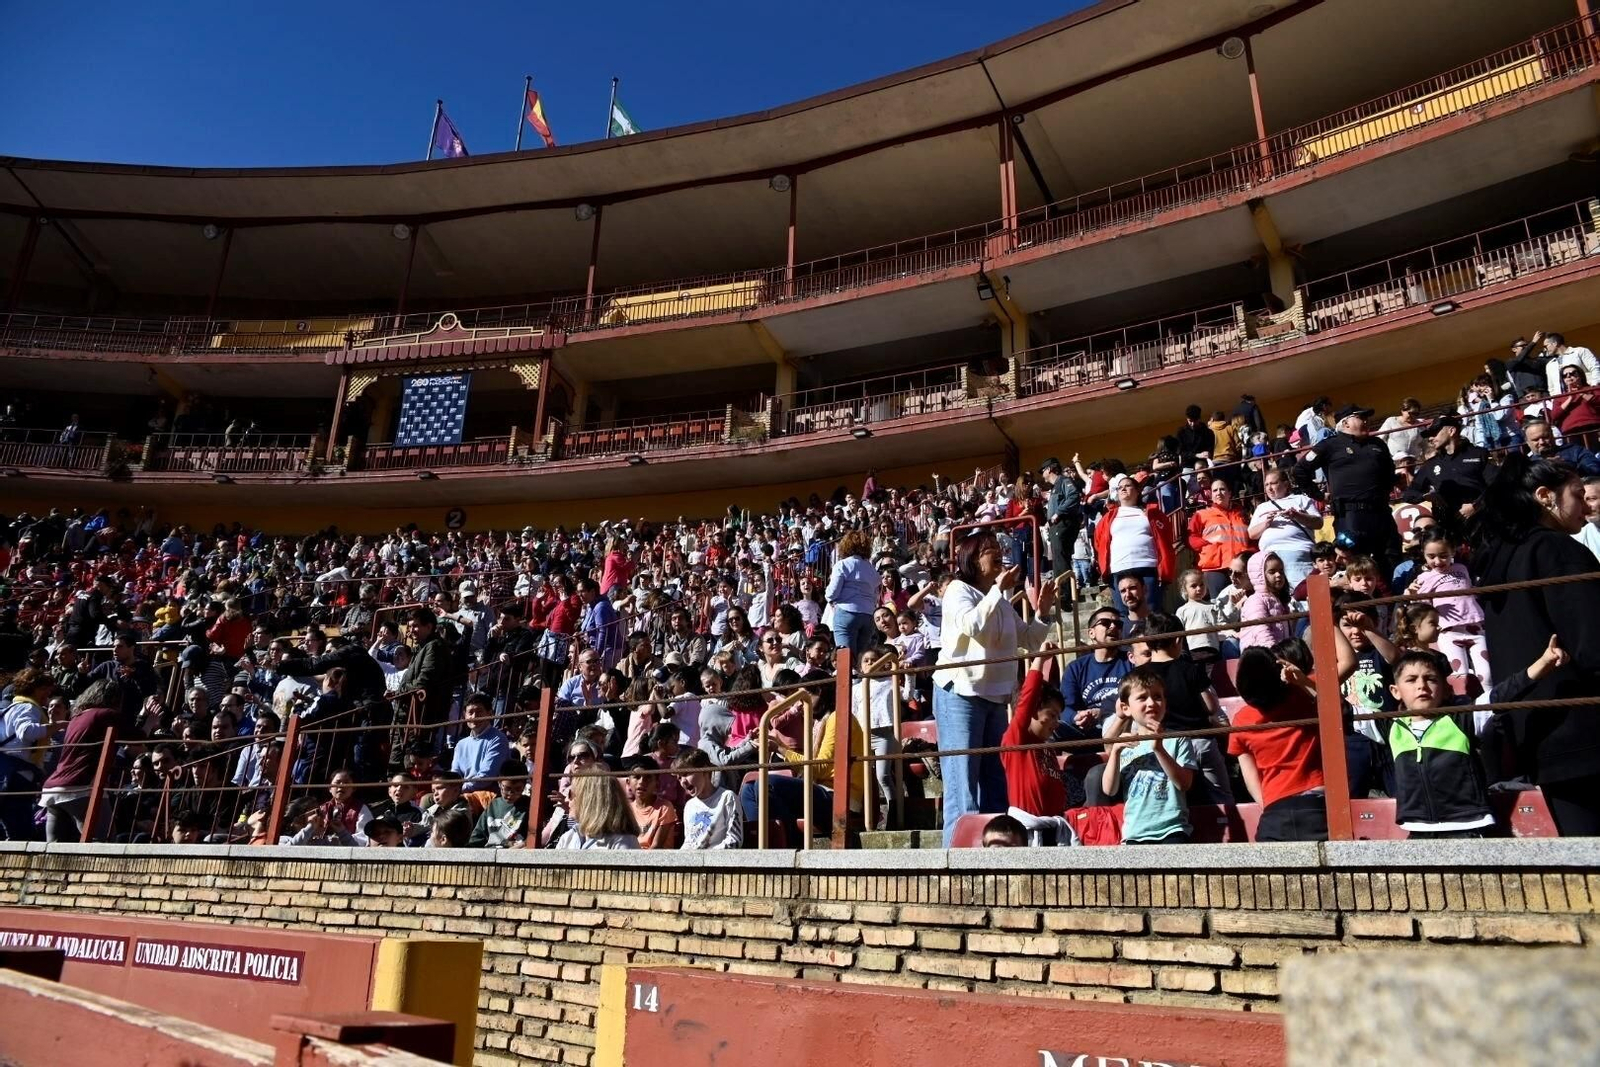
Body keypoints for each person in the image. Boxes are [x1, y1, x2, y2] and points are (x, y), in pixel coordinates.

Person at [1470, 452, 1600, 834]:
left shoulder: (1498, 559)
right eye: (1579, 494)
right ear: (1545, 496)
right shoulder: (1559, 550)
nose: (1588, 504)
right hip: (1588, 727)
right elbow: (1593, 640)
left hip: (1540, 733)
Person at [932, 529, 1058, 845]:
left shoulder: (998, 599)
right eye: (988, 549)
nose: (997, 552)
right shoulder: (958, 590)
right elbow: (973, 625)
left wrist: (1042, 612)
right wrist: (998, 590)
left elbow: (1028, 640)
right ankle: (957, 857)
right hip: (959, 693)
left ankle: (994, 851)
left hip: (994, 697)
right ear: (971, 559)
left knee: (994, 782)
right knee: (964, 784)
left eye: (997, 547)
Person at [1385, 649, 1493, 838]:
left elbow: (1502, 695)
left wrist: (1541, 665)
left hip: (1467, 826)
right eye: (1411, 680)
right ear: (1395, 691)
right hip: (1418, 829)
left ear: (1446, 690)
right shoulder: (1392, 727)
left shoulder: (1461, 720)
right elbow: (1338, 709)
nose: (1422, 686)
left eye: (1431, 679)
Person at [1226, 647, 1326, 841]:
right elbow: (1340, 705)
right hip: (1318, 801)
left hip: (1275, 807)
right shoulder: (1303, 696)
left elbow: (1250, 777)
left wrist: (1269, 807)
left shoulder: (1241, 719)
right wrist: (1303, 680)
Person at [1293, 403, 1397, 573]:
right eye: (1361, 417)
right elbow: (1300, 470)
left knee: (1391, 558)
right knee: (1356, 562)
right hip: (1350, 517)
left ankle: (1396, 599)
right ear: (1346, 423)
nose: (1366, 421)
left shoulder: (1378, 443)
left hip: (1381, 513)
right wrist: (1318, 495)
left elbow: (1389, 472)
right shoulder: (1329, 445)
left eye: (1366, 418)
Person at [1100, 667, 1196, 844]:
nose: (1151, 703)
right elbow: (1109, 789)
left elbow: (1184, 784)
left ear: (1165, 703)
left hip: (1172, 830)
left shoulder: (1178, 739)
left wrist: (1159, 748)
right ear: (1125, 708)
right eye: (1142, 698)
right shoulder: (1126, 745)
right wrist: (1114, 752)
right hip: (1134, 834)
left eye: (1157, 696)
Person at [38, 678, 122, 842]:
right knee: (103, 844)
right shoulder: (105, 714)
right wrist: (148, 720)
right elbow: (136, 736)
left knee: (53, 848)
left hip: (53, 789)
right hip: (82, 787)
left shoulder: (76, 717)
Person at [1406, 532, 1489, 683]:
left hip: (1475, 626)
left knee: (1486, 674)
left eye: (1443, 555)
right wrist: (1410, 595)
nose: (1437, 561)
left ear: (1453, 552)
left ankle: (1490, 704)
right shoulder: (1423, 579)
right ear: (1423, 555)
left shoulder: (1462, 568)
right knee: (1459, 677)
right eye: (1431, 556)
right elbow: (1420, 608)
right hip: (1448, 631)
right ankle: (1465, 704)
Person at [1093, 474, 1176, 617]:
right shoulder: (1108, 517)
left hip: (1148, 566)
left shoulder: (1151, 513)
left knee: (1152, 611)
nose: (1123, 489)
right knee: (1123, 614)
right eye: (1120, 487)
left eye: (1127, 486)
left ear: (1137, 491)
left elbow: (1166, 537)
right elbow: (1098, 541)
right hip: (1119, 568)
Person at [1406, 415, 1490, 535]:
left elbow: (1497, 484)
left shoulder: (1478, 454)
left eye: (1435, 433)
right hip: (1451, 529)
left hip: (1484, 522)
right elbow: (1409, 494)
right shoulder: (1431, 465)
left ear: (1451, 431)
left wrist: (1476, 506)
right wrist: (1426, 496)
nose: (1431, 438)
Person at [0, 667, 54, 840]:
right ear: (34, 688)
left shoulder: (13, 708)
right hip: (16, 774)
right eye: (44, 688)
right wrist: (55, 727)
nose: (48, 692)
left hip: (6, 770)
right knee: (20, 825)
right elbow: (27, 731)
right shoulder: (29, 708)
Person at [1248, 467, 1323, 590]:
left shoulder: (1301, 499)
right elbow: (1251, 534)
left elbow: (1318, 523)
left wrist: (1296, 515)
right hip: (1270, 561)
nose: (1269, 488)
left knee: (1304, 596)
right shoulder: (1262, 507)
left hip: (1298, 557)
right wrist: (1266, 523)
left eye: (1273, 483)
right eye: (1266, 485)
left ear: (1286, 484)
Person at [1060, 608, 1132, 734]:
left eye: (1118, 624)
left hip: (1122, 724)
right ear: (1091, 633)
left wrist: (1104, 712)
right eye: (1105, 623)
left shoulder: (1131, 661)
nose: (1113, 626)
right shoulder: (1075, 668)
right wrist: (1076, 717)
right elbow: (1065, 707)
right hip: (1086, 730)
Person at [1186, 478, 1252, 597]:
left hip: (1240, 567)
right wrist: (1207, 544)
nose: (1218, 493)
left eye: (1222, 489)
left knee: (1245, 603)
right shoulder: (1201, 514)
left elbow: (1251, 537)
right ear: (1211, 495)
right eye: (1215, 490)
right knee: (1219, 605)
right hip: (1214, 569)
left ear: (1229, 493)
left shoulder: (1242, 513)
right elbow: (1191, 539)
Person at [824, 530, 880, 657]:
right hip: (867, 615)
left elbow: (832, 592)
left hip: (846, 612)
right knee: (861, 659)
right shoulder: (871, 568)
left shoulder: (842, 564)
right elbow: (875, 593)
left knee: (846, 658)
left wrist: (828, 597)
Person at [675, 748, 742, 849]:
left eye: (686, 774)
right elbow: (689, 842)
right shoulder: (689, 805)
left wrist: (705, 857)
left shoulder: (727, 797)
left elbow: (734, 840)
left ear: (704, 770)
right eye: (679, 778)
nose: (683, 781)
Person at [555, 771, 641, 850]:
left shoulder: (624, 842)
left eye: (570, 794)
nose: (566, 800)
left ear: (589, 799)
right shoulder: (567, 838)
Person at [451, 691, 510, 792]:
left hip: (487, 793)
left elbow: (486, 777)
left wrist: (458, 790)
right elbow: (455, 774)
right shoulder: (461, 744)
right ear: (465, 715)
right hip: (462, 792)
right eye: (470, 712)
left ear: (490, 713)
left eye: (479, 712)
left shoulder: (498, 739)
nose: (474, 717)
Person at [468, 758, 530, 848]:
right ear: (499, 783)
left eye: (517, 789)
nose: (511, 794)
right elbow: (477, 838)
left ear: (524, 786)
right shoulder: (492, 806)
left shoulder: (529, 806)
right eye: (507, 788)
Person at [622, 755, 681, 849]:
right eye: (637, 777)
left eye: (648, 778)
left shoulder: (664, 807)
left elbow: (656, 846)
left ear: (657, 784)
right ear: (628, 782)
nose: (641, 782)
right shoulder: (627, 810)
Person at [1040, 457, 1082, 582]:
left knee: (1060, 559)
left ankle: (1065, 594)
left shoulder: (1063, 481)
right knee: (1059, 558)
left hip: (1062, 524)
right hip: (1056, 525)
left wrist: (1058, 513)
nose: (1042, 475)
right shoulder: (1057, 485)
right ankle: (1063, 592)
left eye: (1043, 471)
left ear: (1049, 469)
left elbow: (1074, 496)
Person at [1239, 551, 1292, 651]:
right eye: (1272, 572)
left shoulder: (1279, 601)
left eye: (1281, 571)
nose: (1278, 575)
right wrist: (1274, 652)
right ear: (1260, 576)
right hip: (1261, 657)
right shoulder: (1255, 601)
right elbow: (1260, 630)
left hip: (1278, 654)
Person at [1524, 418, 1600, 477]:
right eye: (1536, 439)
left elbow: (1595, 471)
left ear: (1552, 436)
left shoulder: (1575, 451)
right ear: (1528, 443)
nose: (1542, 442)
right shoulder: (1527, 465)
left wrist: (1568, 466)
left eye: (1545, 437)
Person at [1543, 331, 1600, 397]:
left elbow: (1595, 368)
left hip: (1586, 395)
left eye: (1546, 346)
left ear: (1555, 343)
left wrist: (1593, 388)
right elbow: (1551, 388)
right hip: (1564, 402)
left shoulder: (1579, 351)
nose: (1545, 349)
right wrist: (1556, 401)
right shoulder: (1550, 365)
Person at [1377, 397, 1427, 464]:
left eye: (1416, 414)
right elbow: (1379, 438)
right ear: (1403, 410)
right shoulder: (1391, 421)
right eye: (1411, 413)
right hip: (1395, 462)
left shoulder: (1420, 425)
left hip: (1414, 463)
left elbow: (1425, 444)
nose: (1413, 416)